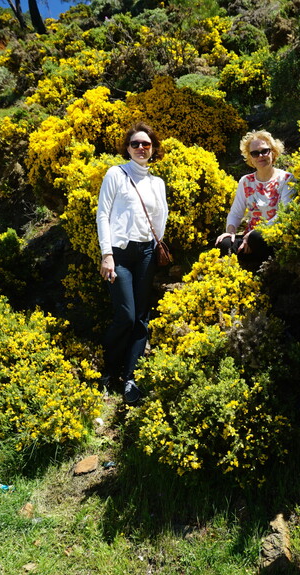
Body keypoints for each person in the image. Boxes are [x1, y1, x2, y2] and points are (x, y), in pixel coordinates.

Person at [96, 122, 168, 405]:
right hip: (120, 254)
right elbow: (103, 214)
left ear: (153, 149)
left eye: (146, 144)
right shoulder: (116, 174)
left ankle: (130, 379)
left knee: (141, 318)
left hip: (146, 253)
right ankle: (107, 371)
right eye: (136, 144)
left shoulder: (156, 182)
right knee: (125, 315)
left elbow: (161, 216)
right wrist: (107, 254)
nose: (141, 148)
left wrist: (156, 243)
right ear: (127, 148)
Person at [215, 130, 294, 270]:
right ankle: (253, 261)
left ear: (273, 152)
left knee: (257, 238)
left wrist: (252, 234)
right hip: (249, 238)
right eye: (255, 153)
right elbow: (235, 213)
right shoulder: (246, 181)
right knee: (224, 242)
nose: (261, 156)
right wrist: (231, 231)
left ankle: (268, 266)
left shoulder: (287, 179)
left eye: (265, 151)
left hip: (274, 237)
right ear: (250, 158)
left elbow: (285, 215)